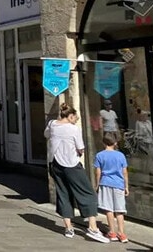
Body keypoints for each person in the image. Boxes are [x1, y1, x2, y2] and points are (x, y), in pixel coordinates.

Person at [45, 103, 110, 242]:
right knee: (88, 193)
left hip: (55, 163)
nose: (77, 120)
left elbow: (47, 135)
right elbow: (80, 148)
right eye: (75, 117)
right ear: (70, 116)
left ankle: (68, 228)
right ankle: (93, 228)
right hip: (71, 164)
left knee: (63, 193)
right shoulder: (73, 129)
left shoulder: (52, 124)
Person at [94, 134, 129, 243]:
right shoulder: (121, 155)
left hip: (105, 183)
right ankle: (122, 233)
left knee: (108, 209)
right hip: (118, 184)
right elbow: (124, 172)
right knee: (120, 210)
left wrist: (97, 184)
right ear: (115, 143)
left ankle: (112, 232)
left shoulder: (99, 155)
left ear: (103, 143)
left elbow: (98, 172)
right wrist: (126, 186)